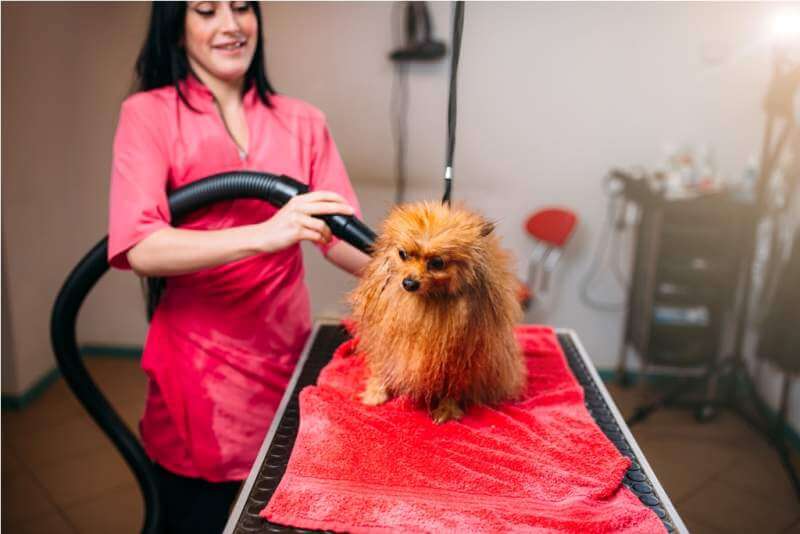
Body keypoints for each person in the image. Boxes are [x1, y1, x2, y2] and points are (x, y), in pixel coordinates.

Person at [107, 2, 370, 532]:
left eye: (243, 7)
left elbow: (342, 238)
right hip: (197, 379)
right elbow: (140, 247)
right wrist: (268, 232)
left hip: (284, 360)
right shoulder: (149, 114)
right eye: (206, 10)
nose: (230, 24)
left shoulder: (302, 120)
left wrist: (420, 267)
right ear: (177, 29)